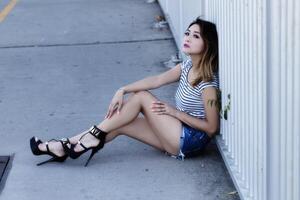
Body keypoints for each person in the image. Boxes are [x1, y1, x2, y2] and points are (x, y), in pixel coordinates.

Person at [30, 17, 220, 167]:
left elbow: (212, 128)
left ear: (207, 44)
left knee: (142, 97)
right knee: (121, 123)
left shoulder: (208, 83)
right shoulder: (187, 66)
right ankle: (64, 145)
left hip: (189, 140)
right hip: (175, 135)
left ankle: (84, 139)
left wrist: (174, 112)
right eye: (188, 32)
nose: (187, 37)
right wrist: (122, 89)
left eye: (196, 36)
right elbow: (157, 80)